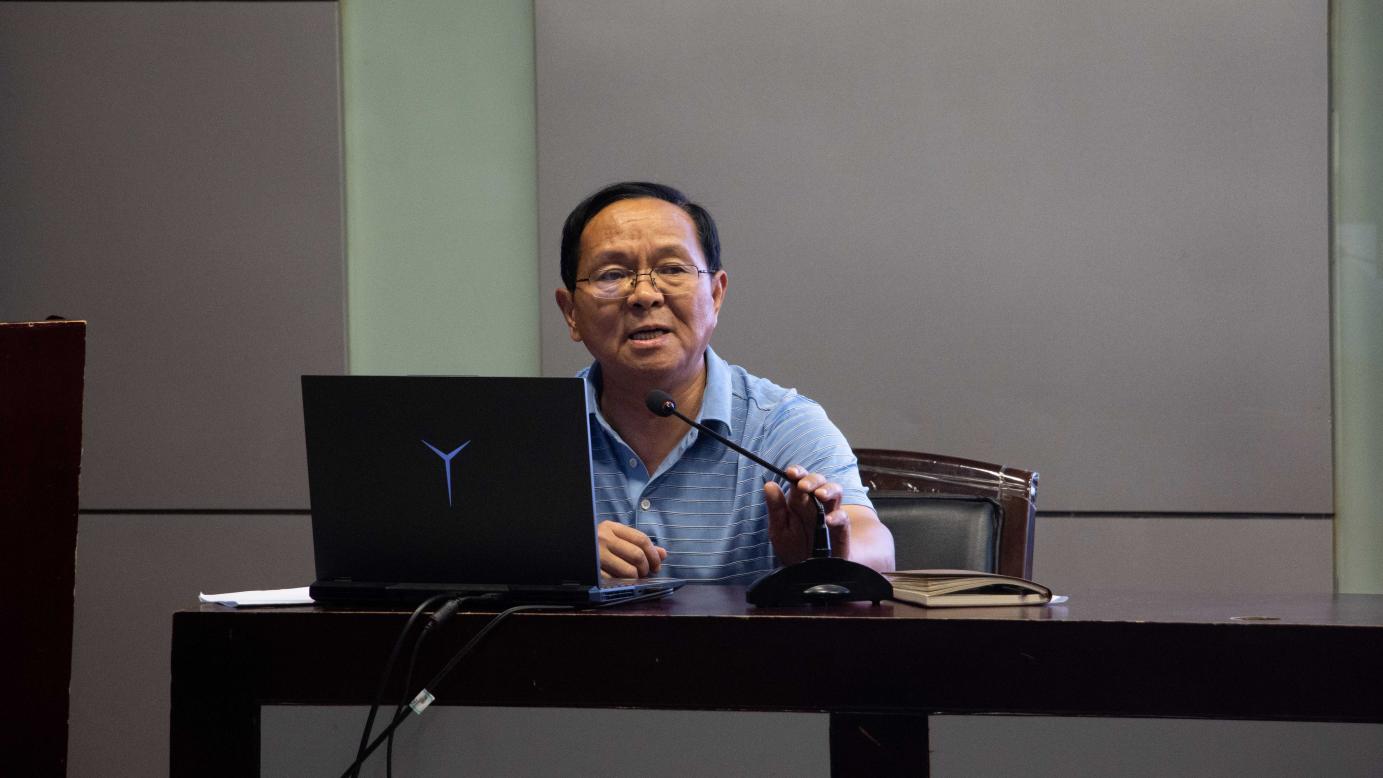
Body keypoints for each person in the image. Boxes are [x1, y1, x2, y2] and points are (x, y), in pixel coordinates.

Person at [554, 181, 894, 582]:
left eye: (672, 269)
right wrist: (556, 552)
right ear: (571, 312)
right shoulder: (534, 430)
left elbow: (875, 545)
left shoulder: (779, 424)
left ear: (715, 295)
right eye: (612, 274)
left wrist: (827, 555)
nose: (644, 295)